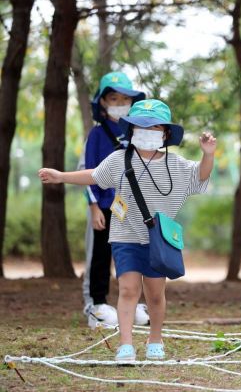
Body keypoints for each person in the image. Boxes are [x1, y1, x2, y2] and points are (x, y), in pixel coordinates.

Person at [39, 99, 216, 361]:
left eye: (154, 127)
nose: (146, 132)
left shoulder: (176, 165)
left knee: (155, 295)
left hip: (159, 241)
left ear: (165, 133)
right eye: (140, 126)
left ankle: (155, 339)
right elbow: (94, 175)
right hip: (125, 236)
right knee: (128, 290)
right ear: (131, 131)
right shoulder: (119, 159)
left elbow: (200, 176)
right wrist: (61, 176)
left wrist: (208, 154)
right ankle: (126, 344)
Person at [82, 71, 148, 329]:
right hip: (106, 207)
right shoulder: (96, 135)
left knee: (132, 255)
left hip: (132, 208)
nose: (119, 103)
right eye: (114, 98)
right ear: (103, 102)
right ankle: (98, 305)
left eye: (125, 99)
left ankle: (131, 304)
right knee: (101, 255)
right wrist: (94, 207)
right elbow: (89, 171)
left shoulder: (138, 134)